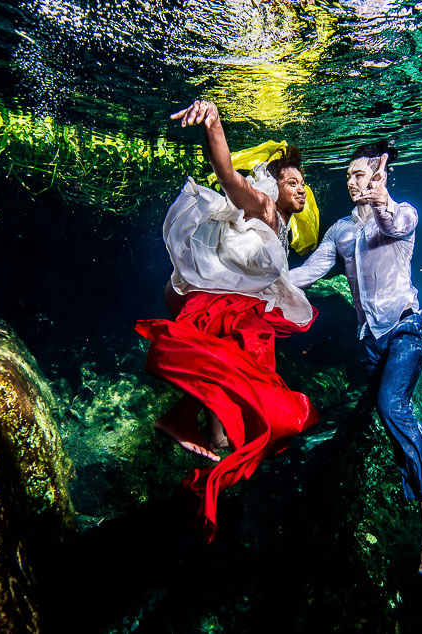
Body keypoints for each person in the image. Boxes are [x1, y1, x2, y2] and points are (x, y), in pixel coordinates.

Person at [289, 141, 422, 574]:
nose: (353, 182)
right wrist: (261, 283)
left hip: (406, 331)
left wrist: (382, 200)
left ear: (381, 178)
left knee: (391, 406)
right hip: (370, 340)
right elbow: (306, 273)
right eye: (350, 177)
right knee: (392, 415)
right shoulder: (340, 230)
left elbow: (394, 222)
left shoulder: (403, 213)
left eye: (362, 175)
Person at [135, 99, 319, 540]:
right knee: (257, 380)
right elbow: (226, 176)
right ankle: (215, 430)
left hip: (229, 308)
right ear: (272, 186)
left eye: (302, 183)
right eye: (292, 181)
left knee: (240, 367)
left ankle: (191, 423)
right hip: (214, 305)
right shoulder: (261, 204)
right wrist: (214, 123)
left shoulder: (280, 227)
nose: (301, 188)